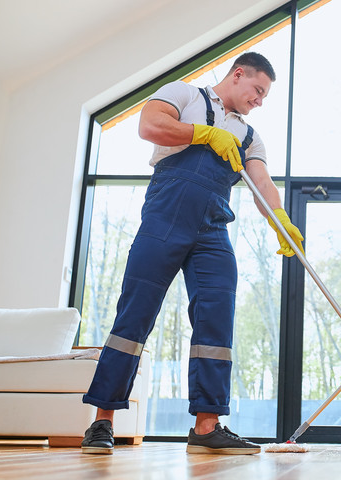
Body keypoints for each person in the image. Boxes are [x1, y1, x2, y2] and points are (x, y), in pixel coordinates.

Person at [80, 52, 303, 455]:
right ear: (238, 75)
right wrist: (204, 134)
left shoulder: (250, 136)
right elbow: (150, 125)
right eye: (258, 90)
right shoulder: (184, 93)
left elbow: (262, 182)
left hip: (213, 230)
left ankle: (206, 426)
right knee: (134, 316)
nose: (260, 101)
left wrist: (281, 218)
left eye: (265, 96)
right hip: (164, 220)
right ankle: (102, 422)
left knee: (216, 321)